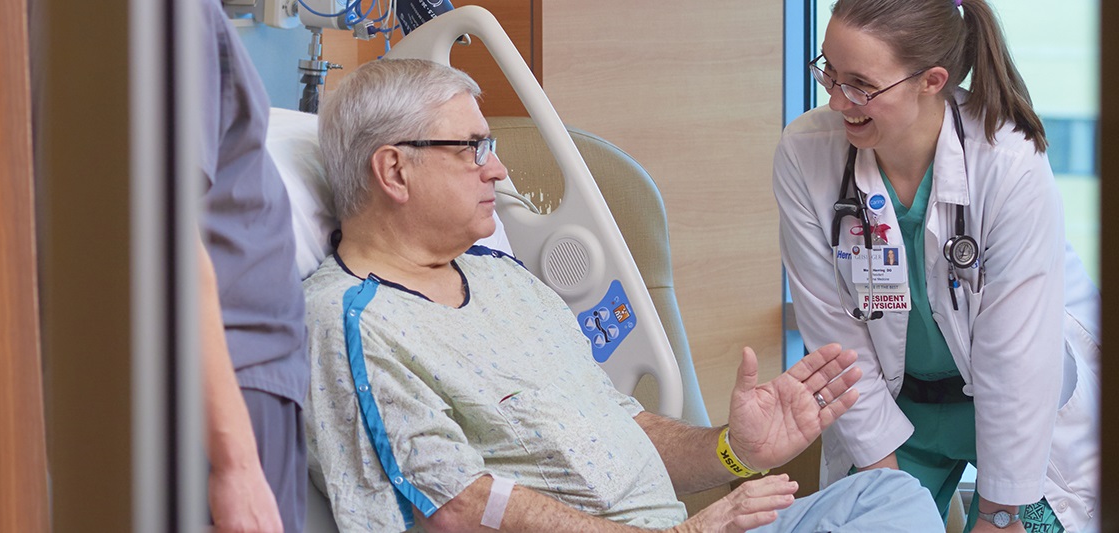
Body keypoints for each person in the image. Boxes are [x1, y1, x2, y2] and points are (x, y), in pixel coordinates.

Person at [303, 58, 944, 533]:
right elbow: (457, 506)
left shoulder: (505, 281)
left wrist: (734, 450)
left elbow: (621, 433)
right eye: (472, 149)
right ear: (393, 170)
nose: (496, 169)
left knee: (894, 501)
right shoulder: (351, 321)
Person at [772, 0, 1101, 531]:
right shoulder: (805, 152)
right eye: (828, 72)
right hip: (894, 410)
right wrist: (886, 492)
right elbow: (835, 339)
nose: (835, 101)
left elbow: (1015, 355)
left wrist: (1000, 514)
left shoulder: (1007, 159)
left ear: (932, 80)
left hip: (1020, 411)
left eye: (860, 84)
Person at [195, 1, 311, 531]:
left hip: (238, 375)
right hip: (224, 386)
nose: (494, 170)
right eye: (471, 148)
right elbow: (157, 236)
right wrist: (234, 463)